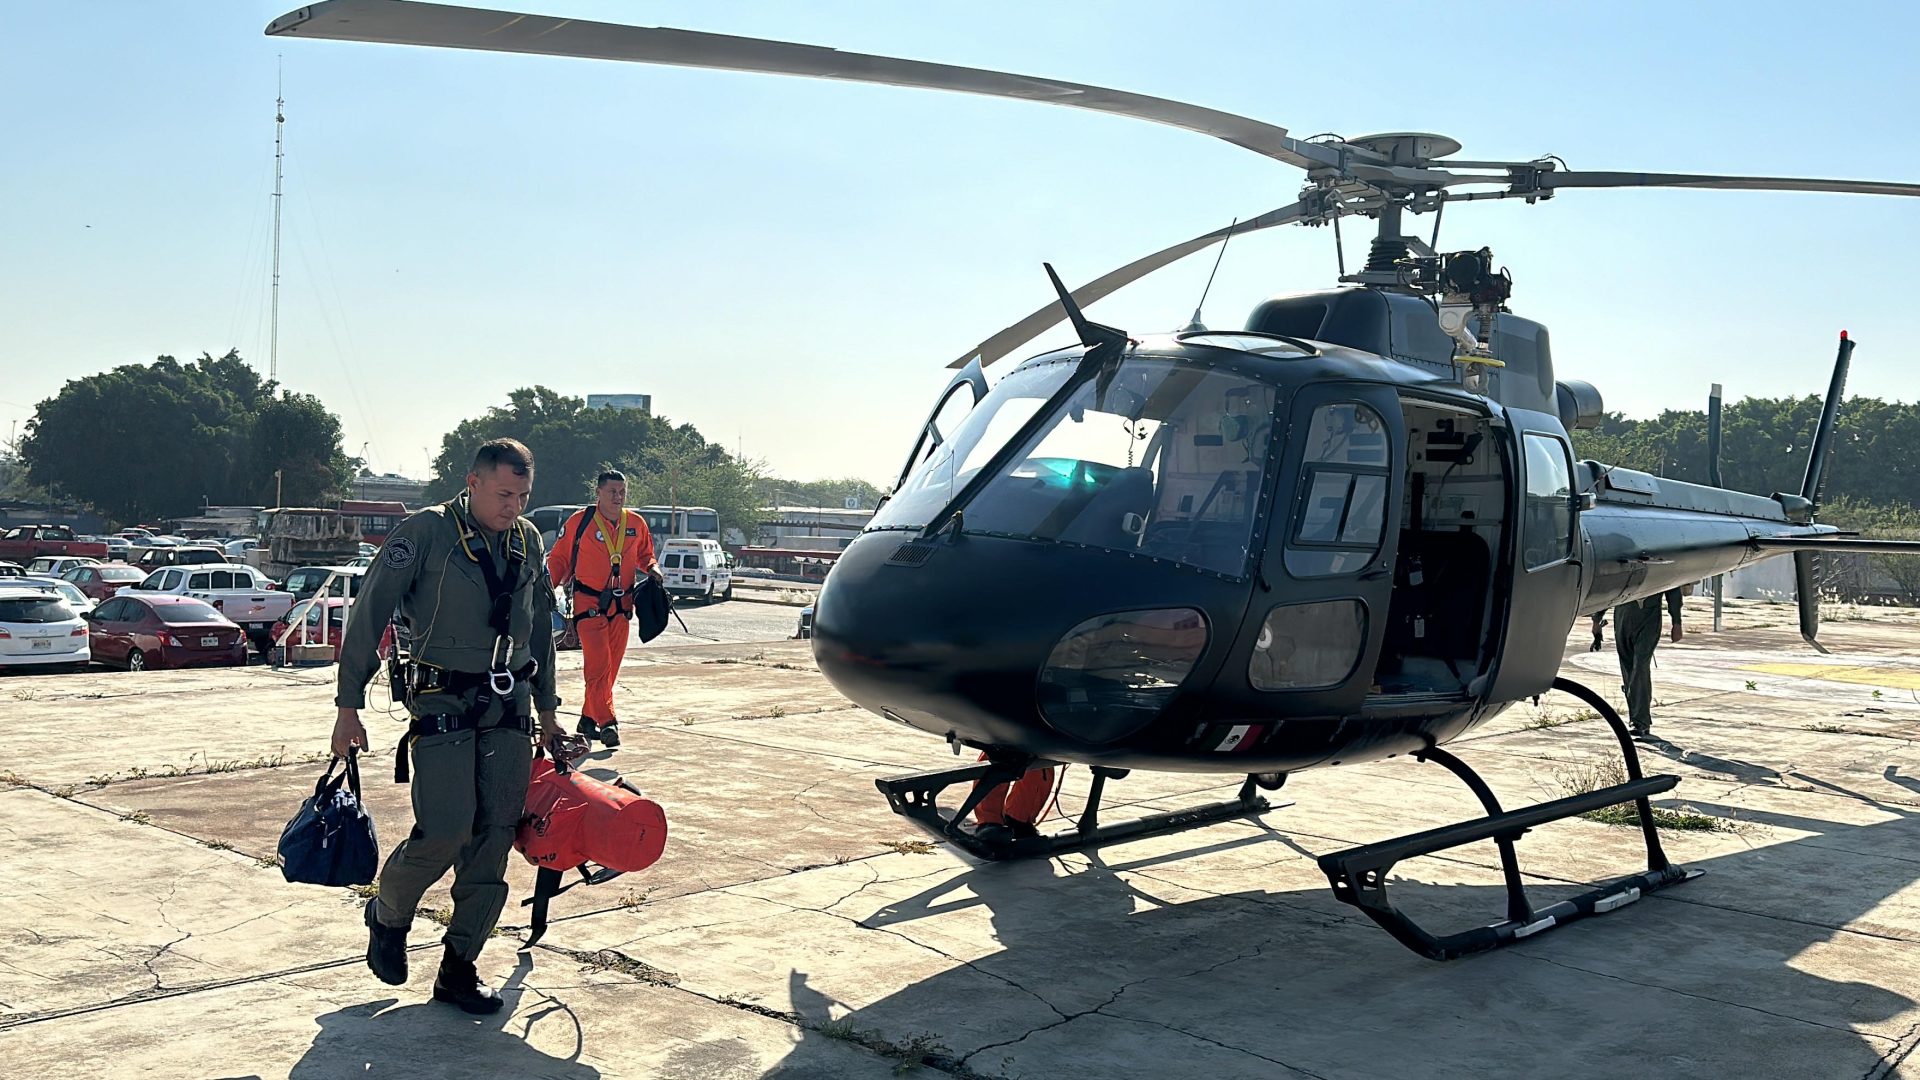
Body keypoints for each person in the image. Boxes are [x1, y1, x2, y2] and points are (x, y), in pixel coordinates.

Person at [329, 438, 565, 1015]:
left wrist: (550, 709)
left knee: (493, 838)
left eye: (524, 495)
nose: (514, 506)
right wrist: (347, 705)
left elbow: (538, 631)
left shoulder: (527, 541)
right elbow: (370, 613)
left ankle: (459, 967)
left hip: (508, 708)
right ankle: (388, 913)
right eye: (505, 493)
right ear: (474, 482)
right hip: (444, 700)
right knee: (446, 830)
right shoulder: (426, 533)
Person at [545, 469, 661, 749]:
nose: (618, 497)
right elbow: (559, 558)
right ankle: (608, 723)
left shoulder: (635, 522)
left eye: (622, 492)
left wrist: (653, 569)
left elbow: (646, 554)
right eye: (612, 492)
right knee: (597, 666)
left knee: (610, 671)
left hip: (622, 607)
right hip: (590, 605)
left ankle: (587, 719)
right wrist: (547, 588)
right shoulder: (580, 522)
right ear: (597, 493)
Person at [1612, 585, 1686, 739]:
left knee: (1640, 667)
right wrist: (1597, 621)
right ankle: (1635, 718)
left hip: (1648, 620)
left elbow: (1672, 589)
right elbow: (1607, 587)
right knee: (1628, 670)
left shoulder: (1657, 562)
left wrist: (1676, 623)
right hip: (1622, 619)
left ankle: (1641, 722)